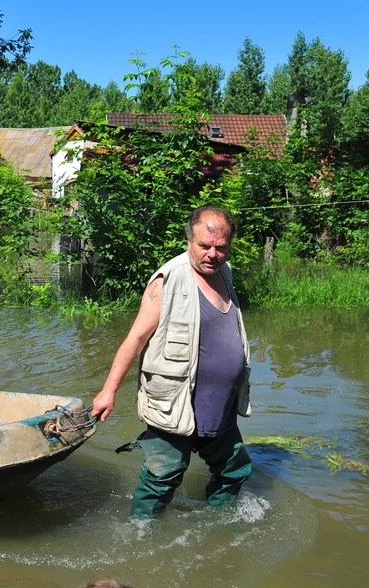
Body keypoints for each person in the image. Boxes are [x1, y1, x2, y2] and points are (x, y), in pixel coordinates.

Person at [91, 205, 253, 519]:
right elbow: (135, 340)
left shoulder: (225, 272)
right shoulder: (168, 281)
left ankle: (216, 523)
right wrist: (108, 391)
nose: (212, 254)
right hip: (174, 406)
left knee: (235, 469)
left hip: (219, 407)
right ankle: (139, 535)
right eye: (204, 246)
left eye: (221, 247)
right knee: (161, 480)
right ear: (189, 241)